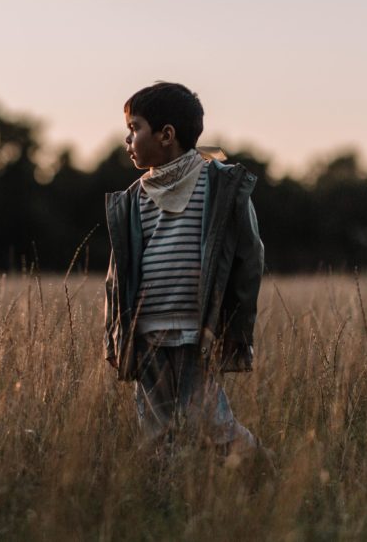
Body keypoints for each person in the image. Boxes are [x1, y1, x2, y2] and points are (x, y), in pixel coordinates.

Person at [103, 82, 264, 454]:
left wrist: (237, 328)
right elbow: (116, 276)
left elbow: (249, 259)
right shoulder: (132, 199)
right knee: (156, 429)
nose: (128, 140)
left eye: (134, 128)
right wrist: (115, 334)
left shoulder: (220, 186)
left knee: (210, 423)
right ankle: (170, 496)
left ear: (166, 135)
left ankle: (261, 469)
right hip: (146, 332)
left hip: (198, 329)